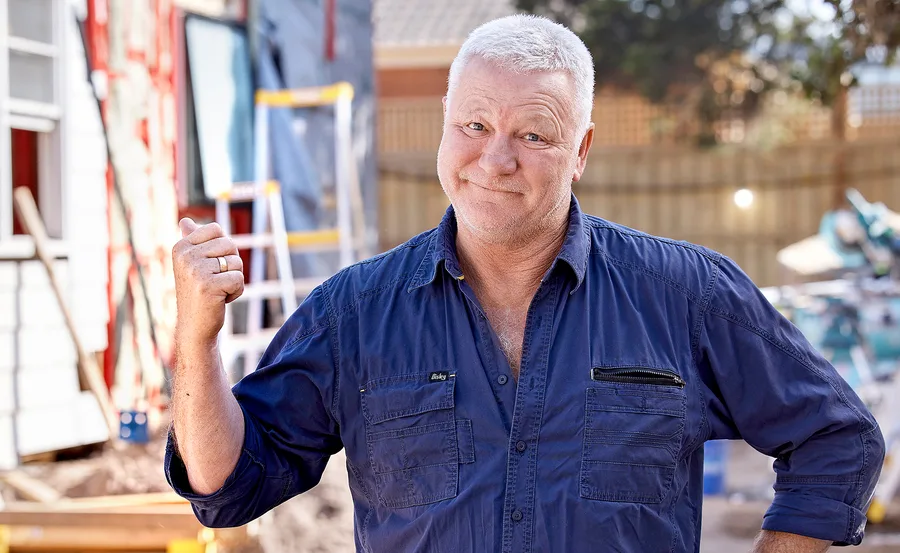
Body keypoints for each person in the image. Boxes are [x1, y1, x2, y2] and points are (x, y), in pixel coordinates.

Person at [167, 14, 884, 553]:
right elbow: (227, 486)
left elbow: (837, 437)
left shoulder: (685, 296)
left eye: (534, 134)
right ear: (445, 131)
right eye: (473, 124)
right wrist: (195, 343)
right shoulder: (353, 314)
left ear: (582, 151)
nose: (495, 158)